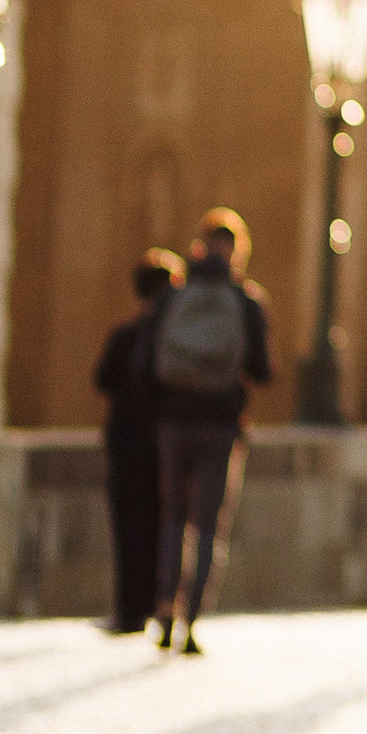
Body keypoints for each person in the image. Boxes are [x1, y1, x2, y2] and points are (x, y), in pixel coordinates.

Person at [150, 212, 273, 653]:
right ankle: (192, 618)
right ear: (238, 252)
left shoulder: (173, 294)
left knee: (171, 519)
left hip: (174, 421)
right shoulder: (246, 301)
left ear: (198, 246)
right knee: (207, 525)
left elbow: (149, 360)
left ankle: (164, 606)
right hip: (221, 424)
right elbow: (262, 369)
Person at [91, 252, 181, 631]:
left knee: (129, 528)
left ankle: (130, 610)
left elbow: (101, 379)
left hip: (128, 444)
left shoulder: (125, 334)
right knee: (167, 524)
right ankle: (165, 605)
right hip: (166, 442)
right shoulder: (174, 338)